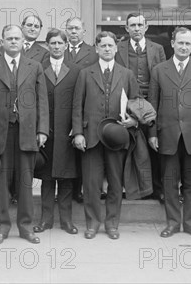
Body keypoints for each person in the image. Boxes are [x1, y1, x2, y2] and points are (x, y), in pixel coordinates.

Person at [0, 24, 48, 245]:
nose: (14, 42)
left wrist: (42, 129)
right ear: (2, 42)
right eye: (9, 38)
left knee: (26, 182)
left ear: (22, 41)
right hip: (0, 133)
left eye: (17, 38)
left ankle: (26, 227)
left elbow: (41, 101)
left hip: (26, 132)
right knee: (1, 182)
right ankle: (2, 227)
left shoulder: (34, 66)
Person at [148, 27, 191, 239]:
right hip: (167, 133)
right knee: (169, 181)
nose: (184, 47)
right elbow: (152, 104)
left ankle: (190, 223)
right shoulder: (159, 70)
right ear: (173, 43)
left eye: (188, 43)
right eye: (181, 43)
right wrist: (152, 133)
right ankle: (172, 223)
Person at [72, 31, 140, 240]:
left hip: (116, 136)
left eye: (111, 46)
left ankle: (112, 224)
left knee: (115, 182)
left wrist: (134, 120)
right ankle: (92, 223)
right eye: (103, 46)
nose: (107, 49)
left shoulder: (126, 74)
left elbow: (137, 103)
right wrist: (78, 134)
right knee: (91, 184)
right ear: (97, 48)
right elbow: (77, 106)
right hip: (91, 136)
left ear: (116, 48)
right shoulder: (85, 73)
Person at [115, 13, 166, 203]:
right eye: (132, 25)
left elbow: (163, 76)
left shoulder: (158, 49)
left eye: (139, 25)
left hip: (151, 102)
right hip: (126, 103)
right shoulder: (118, 48)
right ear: (126, 29)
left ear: (146, 27)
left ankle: (156, 189)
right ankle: (127, 189)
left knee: (153, 146)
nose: (136, 28)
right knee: (128, 148)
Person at [34, 28, 80, 235]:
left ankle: (66, 220)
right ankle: (46, 220)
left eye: (60, 43)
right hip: (46, 132)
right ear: (47, 45)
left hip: (67, 132)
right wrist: (38, 129)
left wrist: (77, 130)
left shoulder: (76, 70)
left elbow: (79, 103)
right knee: (47, 178)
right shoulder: (37, 68)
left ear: (66, 45)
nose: (56, 47)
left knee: (66, 178)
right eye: (52, 43)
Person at [64, 16, 98, 204]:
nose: (74, 32)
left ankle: (79, 190)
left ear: (84, 31)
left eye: (77, 28)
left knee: (82, 152)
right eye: (70, 28)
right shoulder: (58, 50)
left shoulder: (93, 52)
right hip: (62, 108)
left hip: (84, 109)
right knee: (65, 152)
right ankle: (64, 192)